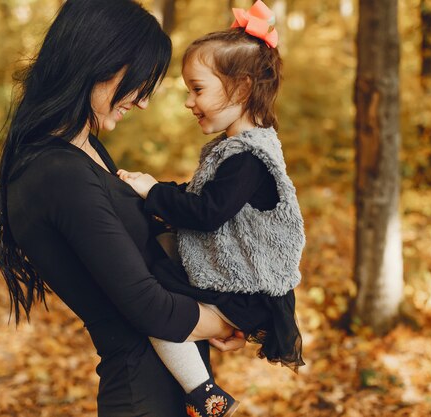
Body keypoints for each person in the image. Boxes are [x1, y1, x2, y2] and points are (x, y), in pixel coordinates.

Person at [0, 1, 246, 416]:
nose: (142, 102)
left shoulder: (83, 150)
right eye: (139, 82)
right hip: (140, 398)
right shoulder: (56, 172)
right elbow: (150, 308)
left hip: (167, 389)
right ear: (98, 61)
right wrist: (240, 319)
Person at [118, 2, 306, 416]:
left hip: (248, 291)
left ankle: (205, 395)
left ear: (239, 89)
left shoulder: (249, 158)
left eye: (197, 89)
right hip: (235, 280)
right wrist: (156, 194)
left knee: (157, 316)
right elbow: (203, 196)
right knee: (158, 259)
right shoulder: (237, 149)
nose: (189, 101)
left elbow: (207, 212)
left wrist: (155, 193)